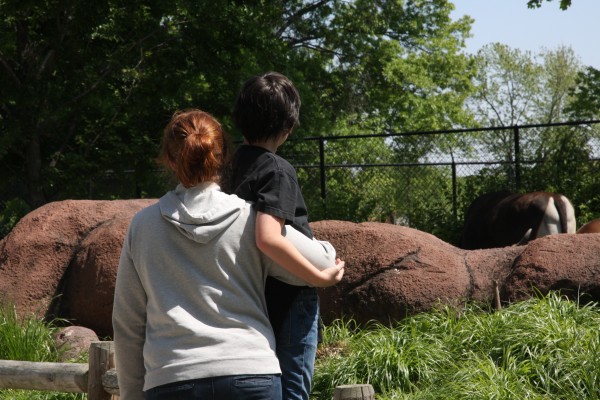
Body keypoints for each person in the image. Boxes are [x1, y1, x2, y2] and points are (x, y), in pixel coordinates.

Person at [112, 109, 344, 400]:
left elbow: (128, 324)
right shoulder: (249, 220)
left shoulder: (143, 227)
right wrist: (327, 256)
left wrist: (133, 394)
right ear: (221, 158)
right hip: (251, 374)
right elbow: (319, 262)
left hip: (172, 379)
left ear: (170, 160)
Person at [225, 72, 342, 400]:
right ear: (288, 128)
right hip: (290, 297)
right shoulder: (277, 170)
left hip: (246, 289)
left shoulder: (226, 167)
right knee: (291, 389)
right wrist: (320, 276)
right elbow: (268, 237)